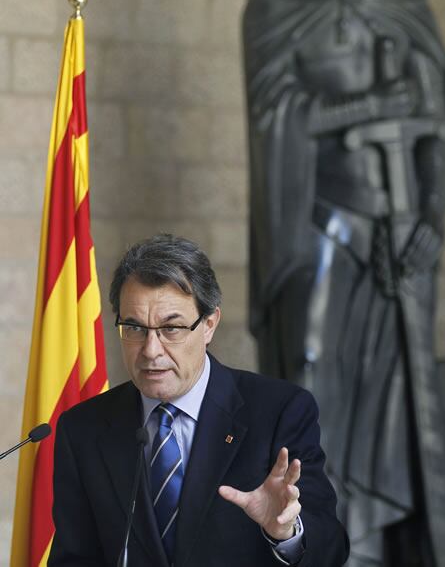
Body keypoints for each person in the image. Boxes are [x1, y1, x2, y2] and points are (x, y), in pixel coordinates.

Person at [243, 0, 445, 566]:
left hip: (398, 237)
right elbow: (274, 112)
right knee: (311, 380)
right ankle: (310, 544)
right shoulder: (279, 0)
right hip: (321, 226)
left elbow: (439, 126)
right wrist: (367, 106)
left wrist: (430, 219)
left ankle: (377, 548)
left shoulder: (407, 3)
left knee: (394, 396)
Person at [48, 234, 349, 567]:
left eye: (171, 328)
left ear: (209, 324)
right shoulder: (83, 429)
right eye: (134, 328)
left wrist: (288, 533)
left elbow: (332, 550)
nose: (150, 350)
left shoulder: (280, 411)